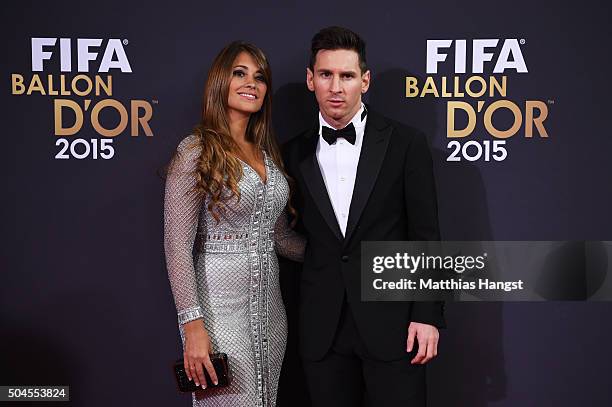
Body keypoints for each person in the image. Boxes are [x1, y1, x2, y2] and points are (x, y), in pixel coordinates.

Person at [282, 26, 445, 406]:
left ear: (365, 81)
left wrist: (427, 313)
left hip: (395, 326)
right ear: (311, 79)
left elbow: (426, 235)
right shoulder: (290, 153)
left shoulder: (406, 143)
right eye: (326, 75)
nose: (336, 87)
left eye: (347, 76)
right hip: (322, 330)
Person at [163, 41, 305, 407]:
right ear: (220, 81)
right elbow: (177, 245)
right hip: (217, 313)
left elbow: (280, 237)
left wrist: (333, 251)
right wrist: (192, 328)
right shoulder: (195, 150)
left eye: (260, 77)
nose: (251, 83)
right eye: (240, 73)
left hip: (271, 315)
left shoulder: (268, 154)